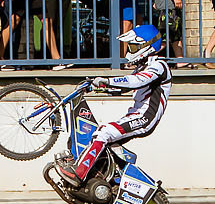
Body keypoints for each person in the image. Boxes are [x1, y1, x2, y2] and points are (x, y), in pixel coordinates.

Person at [62, 28, 171, 188]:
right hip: (135, 115)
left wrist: (107, 81)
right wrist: (96, 87)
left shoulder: (159, 66)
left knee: (104, 132)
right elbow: (122, 88)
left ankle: (79, 173)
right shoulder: (142, 67)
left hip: (145, 118)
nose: (130, 51)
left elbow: (135, 81)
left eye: (133, 47)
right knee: (99, 139)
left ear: (146, 46)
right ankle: (107, 179)